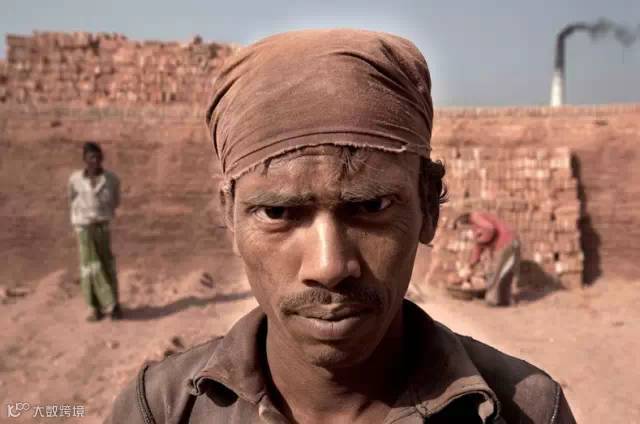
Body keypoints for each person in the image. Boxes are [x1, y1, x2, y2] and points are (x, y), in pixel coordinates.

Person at [106, 29, 575, 423]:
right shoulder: (159, 411)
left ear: (429, 207)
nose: (329, 267)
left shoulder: (527, 411)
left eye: (371, 206)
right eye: (278, 213)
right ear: (230, 215)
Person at [69, 142, 122, 321]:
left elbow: (115, 201)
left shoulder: (111, 179)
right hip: (83, 229)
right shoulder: (75, 180)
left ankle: (113, 306)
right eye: (92, 157)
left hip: (102, 227)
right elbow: (72, 200)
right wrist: (80, 221)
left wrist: (102, 214)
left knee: (106, 264)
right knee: (89, 268)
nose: (96, 160)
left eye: (98, 157)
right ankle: (94, 307)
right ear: (84, 159)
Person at [450, 211, 521, 306]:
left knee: (496, 273)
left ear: (463, 221)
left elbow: (489, 229)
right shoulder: (476, 228)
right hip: (513, 241)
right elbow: (478, 248)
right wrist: (471, 265)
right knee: (505, 273)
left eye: (461, 228)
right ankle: (505, 301)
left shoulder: (475, 216)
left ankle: (493, 299)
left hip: (505, 242)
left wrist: (480, 240)